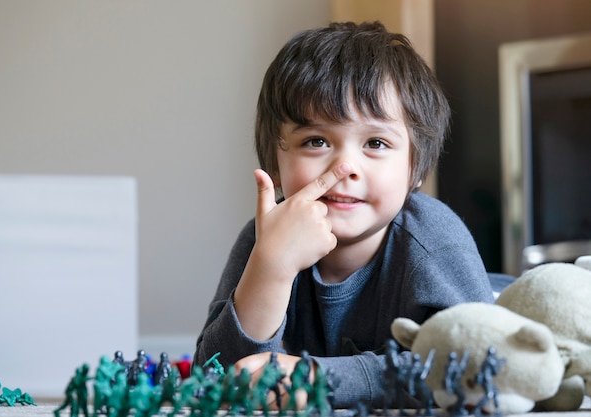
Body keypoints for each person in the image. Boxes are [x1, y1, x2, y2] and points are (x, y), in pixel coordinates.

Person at [193, 20, 494, 409]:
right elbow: (216, 377)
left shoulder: (435, 240)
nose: (345, 166)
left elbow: (477, 364)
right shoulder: (264, 240)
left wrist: (320, 378)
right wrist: (271, 269)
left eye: (376, 142)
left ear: (415, 168)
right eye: (316, 141)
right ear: (275, 162)